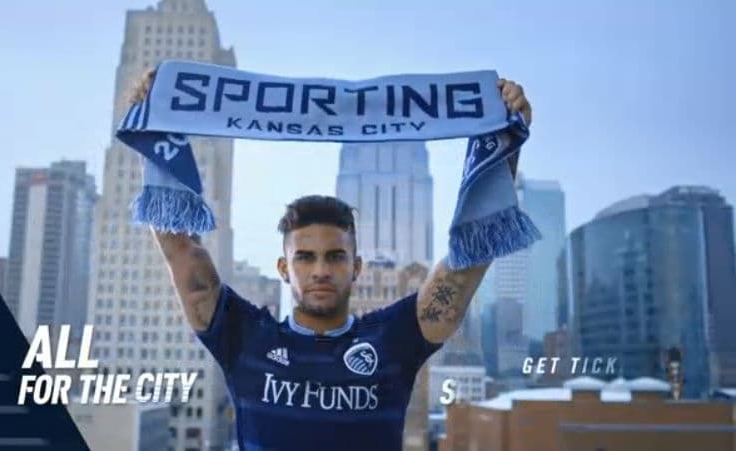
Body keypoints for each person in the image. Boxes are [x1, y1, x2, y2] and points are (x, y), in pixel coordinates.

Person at [138, 73, 532, 450]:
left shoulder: (393, 339)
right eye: (305, 257)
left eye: (336, 256)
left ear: (357, 267)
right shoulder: (246, 338)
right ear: (283, 269)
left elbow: (466, 266)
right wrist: (151, 123)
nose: (321, 270)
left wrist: (503, 143)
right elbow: (182, 251)